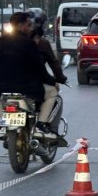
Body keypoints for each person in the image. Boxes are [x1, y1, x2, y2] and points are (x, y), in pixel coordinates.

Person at [0, 11, 52, 139]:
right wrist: (52, 81)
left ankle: (2, 124)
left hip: (2, 89)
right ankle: (41, 125)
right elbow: (40, 69)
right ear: (21, 26)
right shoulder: (29, 44)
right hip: (28, 90)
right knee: (53, 93)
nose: (31, 28)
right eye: (29, 25)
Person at [29, 10, 68, 140]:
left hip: (8, 85)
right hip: (32, 85)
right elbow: (50, 66)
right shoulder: (40, 43)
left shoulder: (8, 42)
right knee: (54, 95)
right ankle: (44, 126)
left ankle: (2, 124)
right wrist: (58, 80)